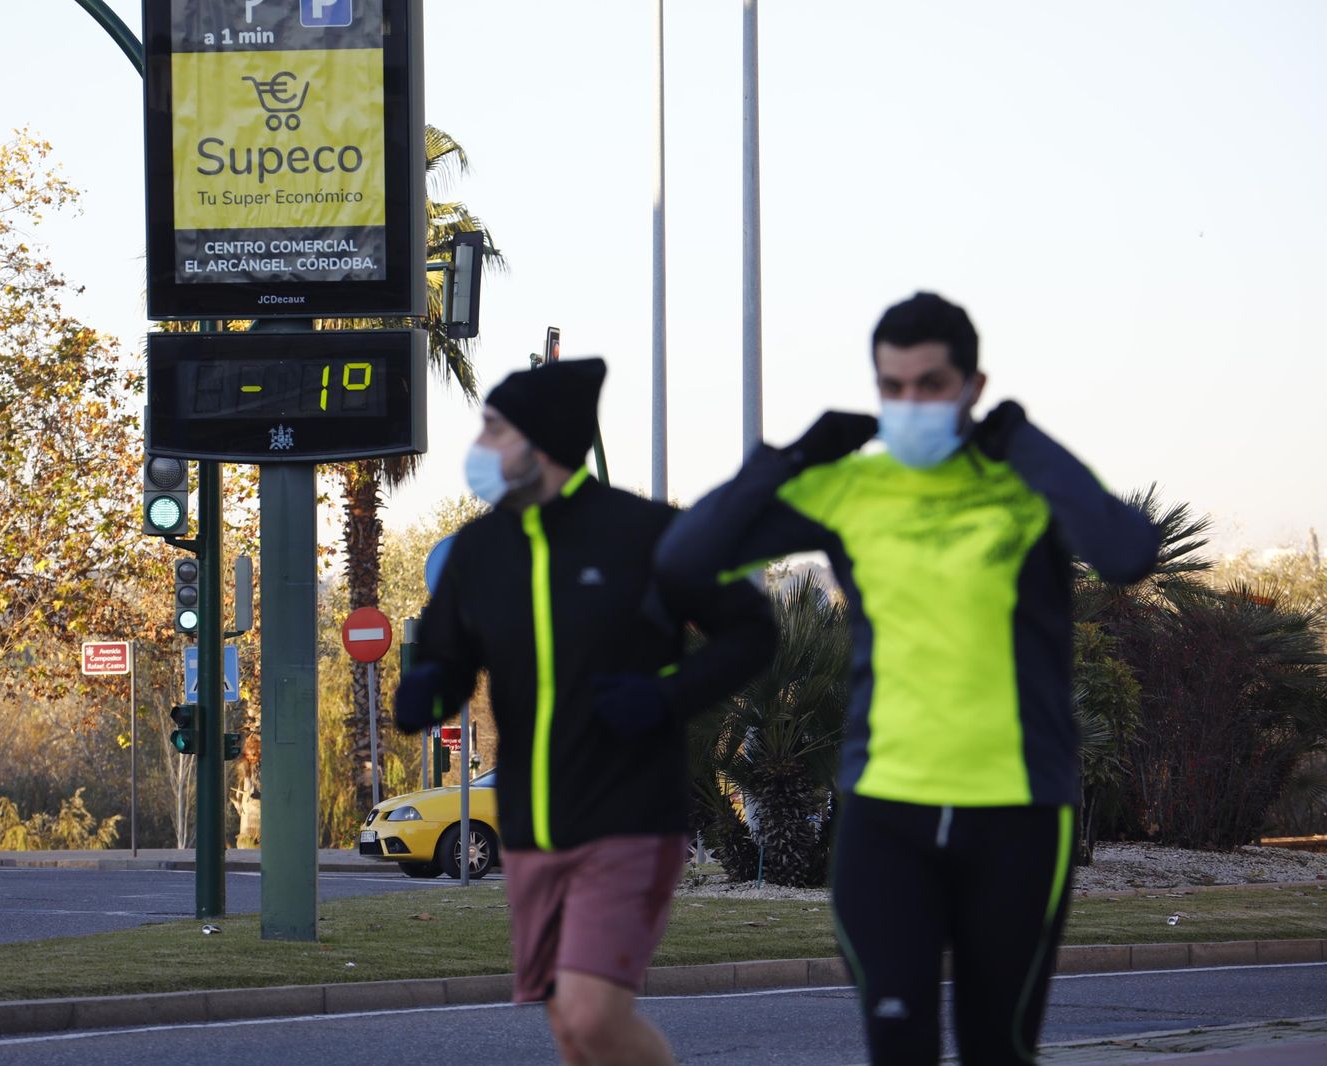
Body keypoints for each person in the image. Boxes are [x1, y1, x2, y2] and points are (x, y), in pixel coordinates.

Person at [655, 292, 1162, 1064]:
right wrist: (793, 455)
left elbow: (1128, 553)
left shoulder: (1025, 484)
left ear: (972, 387)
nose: (910, 402)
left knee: (999, 1049)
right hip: (886, 815)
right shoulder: (855, 490)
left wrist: (1025, 442)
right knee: (898, 1047)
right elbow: (684, 555)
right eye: (892, 387)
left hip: (1019, 813)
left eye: (931, 385)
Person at [395, 358, 777, 1066]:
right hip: (533, 825)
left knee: (592, 1013)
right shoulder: (479, 552)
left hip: (630, 816)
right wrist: (427, 689)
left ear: (540, 443)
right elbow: (448, 657)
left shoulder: (648, 534)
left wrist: (664, 696)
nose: (480, 446)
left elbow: (752, 630)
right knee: (572, 1029)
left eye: (493, 428)